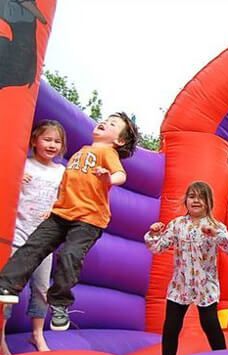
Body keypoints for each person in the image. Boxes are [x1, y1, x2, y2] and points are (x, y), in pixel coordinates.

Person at [0, 112, 139, 331]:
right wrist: (53, 207)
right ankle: (6, 286)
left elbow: (121, 175)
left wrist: (108, 178)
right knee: (32, 248)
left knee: (69, 255)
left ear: (119, 141)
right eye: (105, 120)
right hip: (61, 213)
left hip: (88, 218)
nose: (104, 122)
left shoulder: (107, 151)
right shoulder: (80, 152)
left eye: (112, 124)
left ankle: (60, 304)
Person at [145, 181, 228, 355]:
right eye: (192, 196)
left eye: (201, 197)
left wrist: (216, 234)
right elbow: (158, 247)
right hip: (180, 285)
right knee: (171, 326)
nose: (196, 201)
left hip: (205, 286)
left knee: (210, 324)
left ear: (209, 202)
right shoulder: (177, 224)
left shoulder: (214, 225)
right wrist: (154, 234)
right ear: (186, 201)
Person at [1, 120, 66, 355]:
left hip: (43, 240)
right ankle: (1, 336)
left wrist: (56, 210)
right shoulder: (24, 166)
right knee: (8, 289)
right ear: (34, 141)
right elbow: (7, 194)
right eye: (47, 139)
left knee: (41, 289)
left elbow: (66, 199)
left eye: (57, 141)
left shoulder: (61, 172)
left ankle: (37, 334)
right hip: (19, 235)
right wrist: (17, 183)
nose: (52, 145)